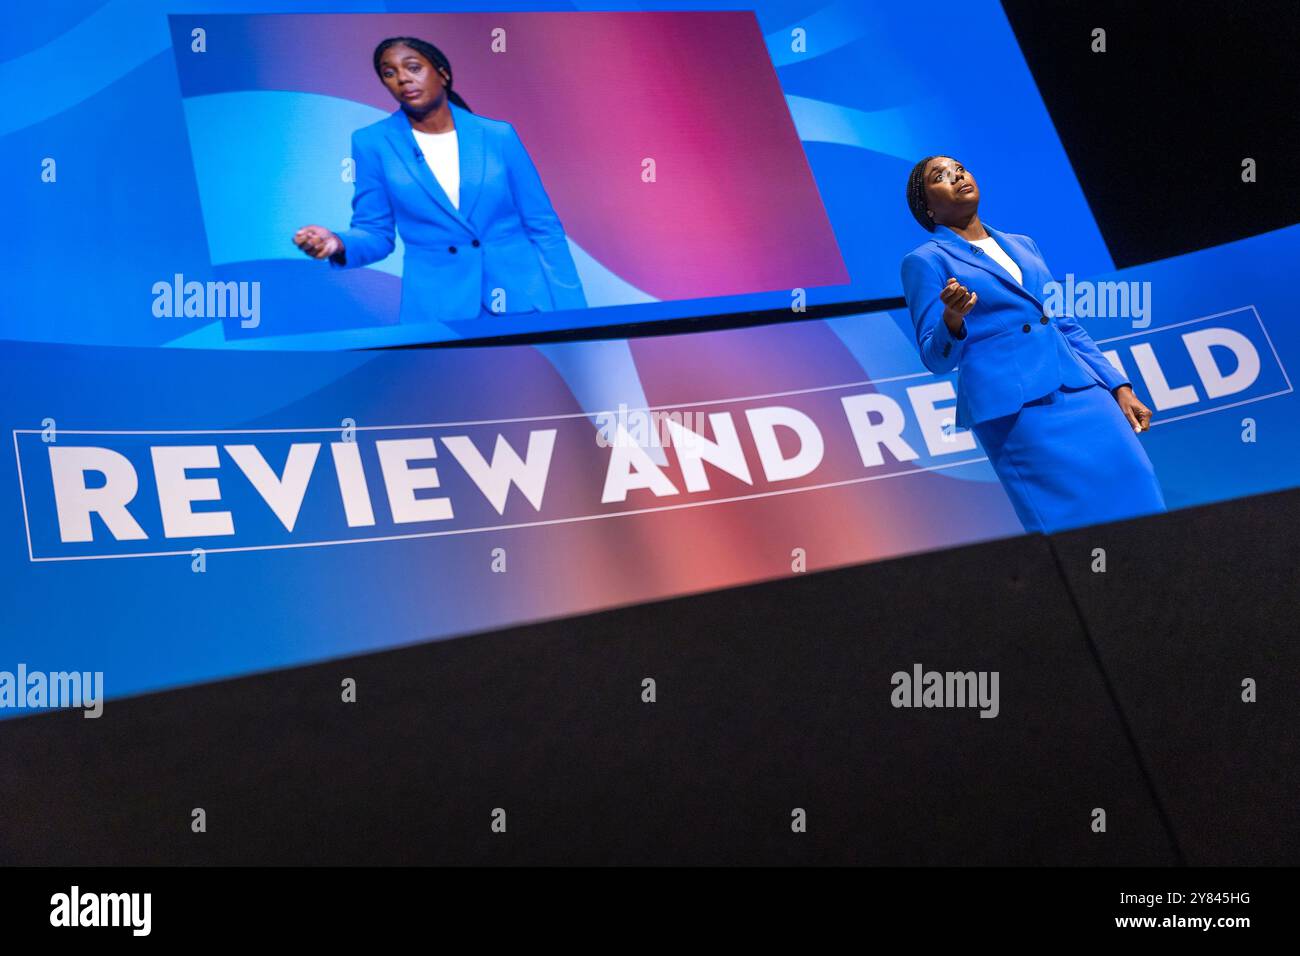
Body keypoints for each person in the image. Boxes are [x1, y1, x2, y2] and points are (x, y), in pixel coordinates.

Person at [900, 155, 1166, 533]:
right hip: (1016, 411)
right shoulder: (925, 261)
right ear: (928, 208)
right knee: (1068, 520)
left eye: (960, 168)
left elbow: (1064, 324)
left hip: (1082, 392)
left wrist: (1119, 386)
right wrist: (952, 318)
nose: (957, 176)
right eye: (940, 177)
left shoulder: (1024, 244)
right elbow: (935, 358)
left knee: (1138, 483)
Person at [294, 36, 587, 322]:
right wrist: (338, 243)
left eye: (413, 67)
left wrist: (575, 315)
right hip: (438, 311)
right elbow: (376, 233)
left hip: (521, 301)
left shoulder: (498, 136)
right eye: (389, 73)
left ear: (443, 74)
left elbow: (543, 227)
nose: (403, 79)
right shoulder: (372, 143)